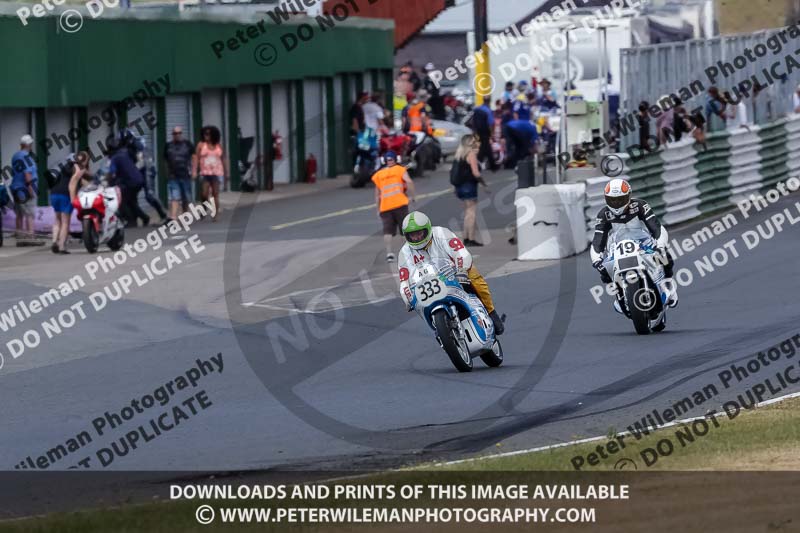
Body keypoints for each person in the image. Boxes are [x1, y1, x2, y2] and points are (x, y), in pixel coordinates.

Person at [398, 211, 505, 335]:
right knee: (417, 304)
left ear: (427, 229)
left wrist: (461, 270)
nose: (416, 238)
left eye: (419, 233)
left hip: (454, 273)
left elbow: (461, 253)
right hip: (428, 283)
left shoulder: (442, 233)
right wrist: (407, 298)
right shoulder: (404, 252)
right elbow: (404, 281)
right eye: (412, 235)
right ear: (406, 236)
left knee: (475, 277)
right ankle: (438, 329)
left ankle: (491, 312)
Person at [589, 178, 678, 316]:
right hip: (617, 248)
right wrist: (597, 261)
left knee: (665, 256)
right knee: (604, 273)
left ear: (629, 196)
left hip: (643, 243)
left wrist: (659, 246)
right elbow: (597, 241)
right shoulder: (603, 214)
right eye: (612, 200)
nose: (616, 204)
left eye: (620, 199)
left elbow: (656, 227)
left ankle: (668, 285)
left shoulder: (640, 205)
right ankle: (619, 296)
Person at [371, 150, 416, 263]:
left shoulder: (378, 174)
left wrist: (378, 209)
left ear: (384, 161)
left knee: (387, 231)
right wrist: (413, 196)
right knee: (404, 229)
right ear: (396, 159)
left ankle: (389, 253)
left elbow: (377, 195)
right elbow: (409, 181)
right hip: (400, 203)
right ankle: (408, 253)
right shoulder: (400, 170)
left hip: (385, 206)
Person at [451, 135, 489, 247]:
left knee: (467, 212)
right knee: (471, 213)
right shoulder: (470, 154)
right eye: (473, 142)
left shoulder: (459, 155)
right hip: (469, 186)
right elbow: (476, 172)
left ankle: (466, 237)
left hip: (460, 187)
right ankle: (471, 238)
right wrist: (484, 184)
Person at [49, 152, 86, 254]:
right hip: (65, 195)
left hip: (54, 193)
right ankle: (61, 247)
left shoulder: (62, 169)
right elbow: (80, 180)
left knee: (57, 219)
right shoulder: (76, 169)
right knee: (65, 222)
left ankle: (54, 241)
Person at [109, 132, 148, 228]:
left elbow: (112, 173)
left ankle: (131, 220)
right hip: (139, 180)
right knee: (131, 201)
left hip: (131, 182)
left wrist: (110, 181)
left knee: (122, 202)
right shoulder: (125, 153)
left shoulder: (114, 158)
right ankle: (143, 217)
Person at [194, 125, 227, 222]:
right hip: (205, 173)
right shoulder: (201, 145)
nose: (206, 136)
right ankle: (204, 207)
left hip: (216, 173)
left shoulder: (218, 146)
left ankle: (216, 214)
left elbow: (224, 158)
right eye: (205, 134)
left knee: (215, 194)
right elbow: (196, 158)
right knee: (204, 194)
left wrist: (226, 172)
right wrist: (195, 170)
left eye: (208, 134)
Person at [164, 126, 196, 222]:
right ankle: (173, 217)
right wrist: (166, 172)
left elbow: (194, 157)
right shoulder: (168, 146)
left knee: (185, 196)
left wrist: (194, 171)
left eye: (179, 133)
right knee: (175, 195)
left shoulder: (187, 144)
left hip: (185, 174)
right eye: (175, 133)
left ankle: (185, 215)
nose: (177, 135)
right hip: (173, 175)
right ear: (172, 135)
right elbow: (165, 160)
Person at [10, 135, 39, 239]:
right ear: (29, 145)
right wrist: (30, 189)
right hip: (25, 189)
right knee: (29, 213)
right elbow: (27, 174)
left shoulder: (15, 156)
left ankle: (18, 232)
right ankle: (30, 234)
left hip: (15, 187)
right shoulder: (27, 157)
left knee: (19, 213)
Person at [470, 100, 496, 171]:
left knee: (485, 147)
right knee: (485, 147)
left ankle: (491, 164)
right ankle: (480, 162)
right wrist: (492, 133)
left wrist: (474, 131)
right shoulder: (488, 110)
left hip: (478, 131)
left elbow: (473, 121)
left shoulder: (478, 109)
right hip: (485, 131)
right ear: (489, 102)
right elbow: (491, 123)